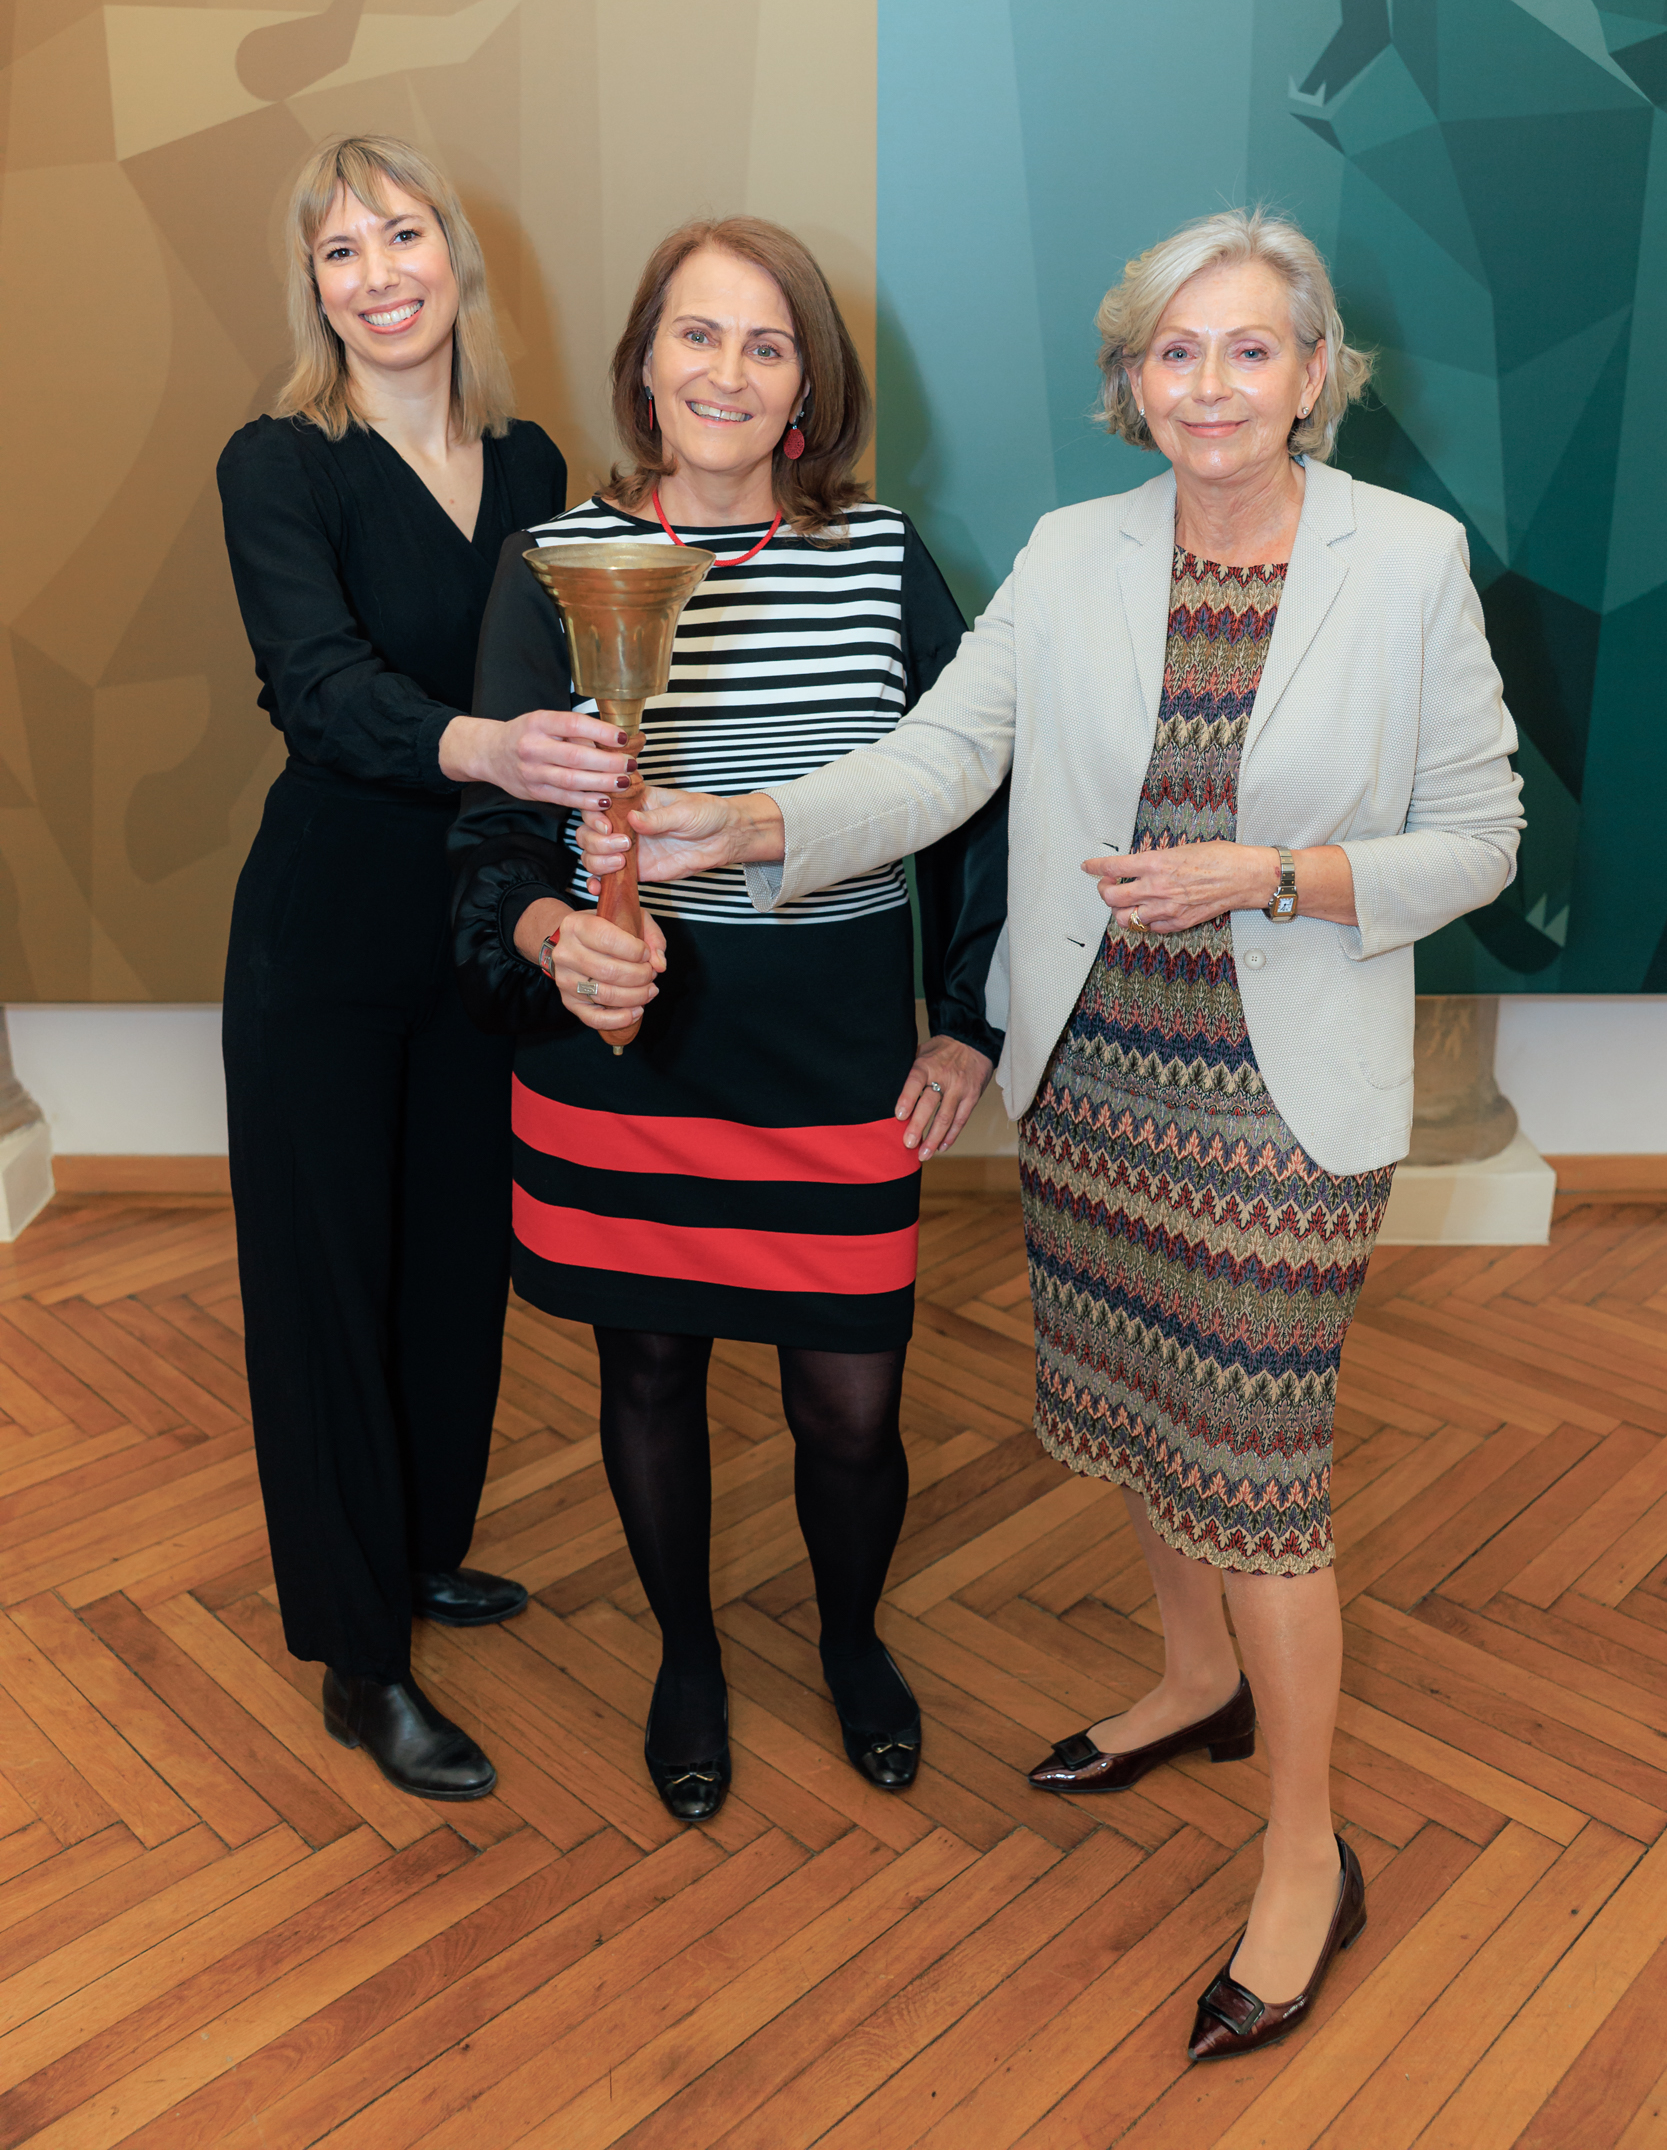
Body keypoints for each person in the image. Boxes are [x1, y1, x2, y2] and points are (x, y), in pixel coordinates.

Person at [577, 209, 1524, 2052]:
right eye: (1176, 351)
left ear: (1313, 375)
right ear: (1131, 381)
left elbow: (1481, 838)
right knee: (1149, 1410)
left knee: (1259, 1474)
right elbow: (940, 759)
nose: (1211, 385)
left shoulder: (1406, 561)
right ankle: (1191, 1680)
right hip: (1095, 1081)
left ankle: (1308, 1853)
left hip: (1281, 1100)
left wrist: (1273, 873)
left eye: (1251, 349)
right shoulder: (1073, 554)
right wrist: (756, 829)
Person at [450, 216, 1006, 1820]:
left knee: (851, 1406)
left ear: (806, 390)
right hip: (623, 1055)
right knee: (648, 1372)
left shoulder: (882, 557)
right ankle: (686, 1656)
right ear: (645, 362)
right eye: (696, 334)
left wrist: (963, 1018)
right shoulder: (552, 562)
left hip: (832, 1055)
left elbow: (973, 799)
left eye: (768, 344)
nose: (727, 371)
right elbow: (493, 843)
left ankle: (849, 1637)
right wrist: (557, 939)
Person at [219, 134, 587, 1801]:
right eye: (340, 250)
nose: (378, 274)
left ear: (457, 256)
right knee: (325, 1284)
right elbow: (318, 689)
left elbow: (569, 682)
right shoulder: (279, 463)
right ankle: (359, 1657)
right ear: (313, 287)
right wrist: (489, 748)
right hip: (327, 928)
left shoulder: (532, 464)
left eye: (403, 234)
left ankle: (420, 1548)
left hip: (481, 920)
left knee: (449, 1260)